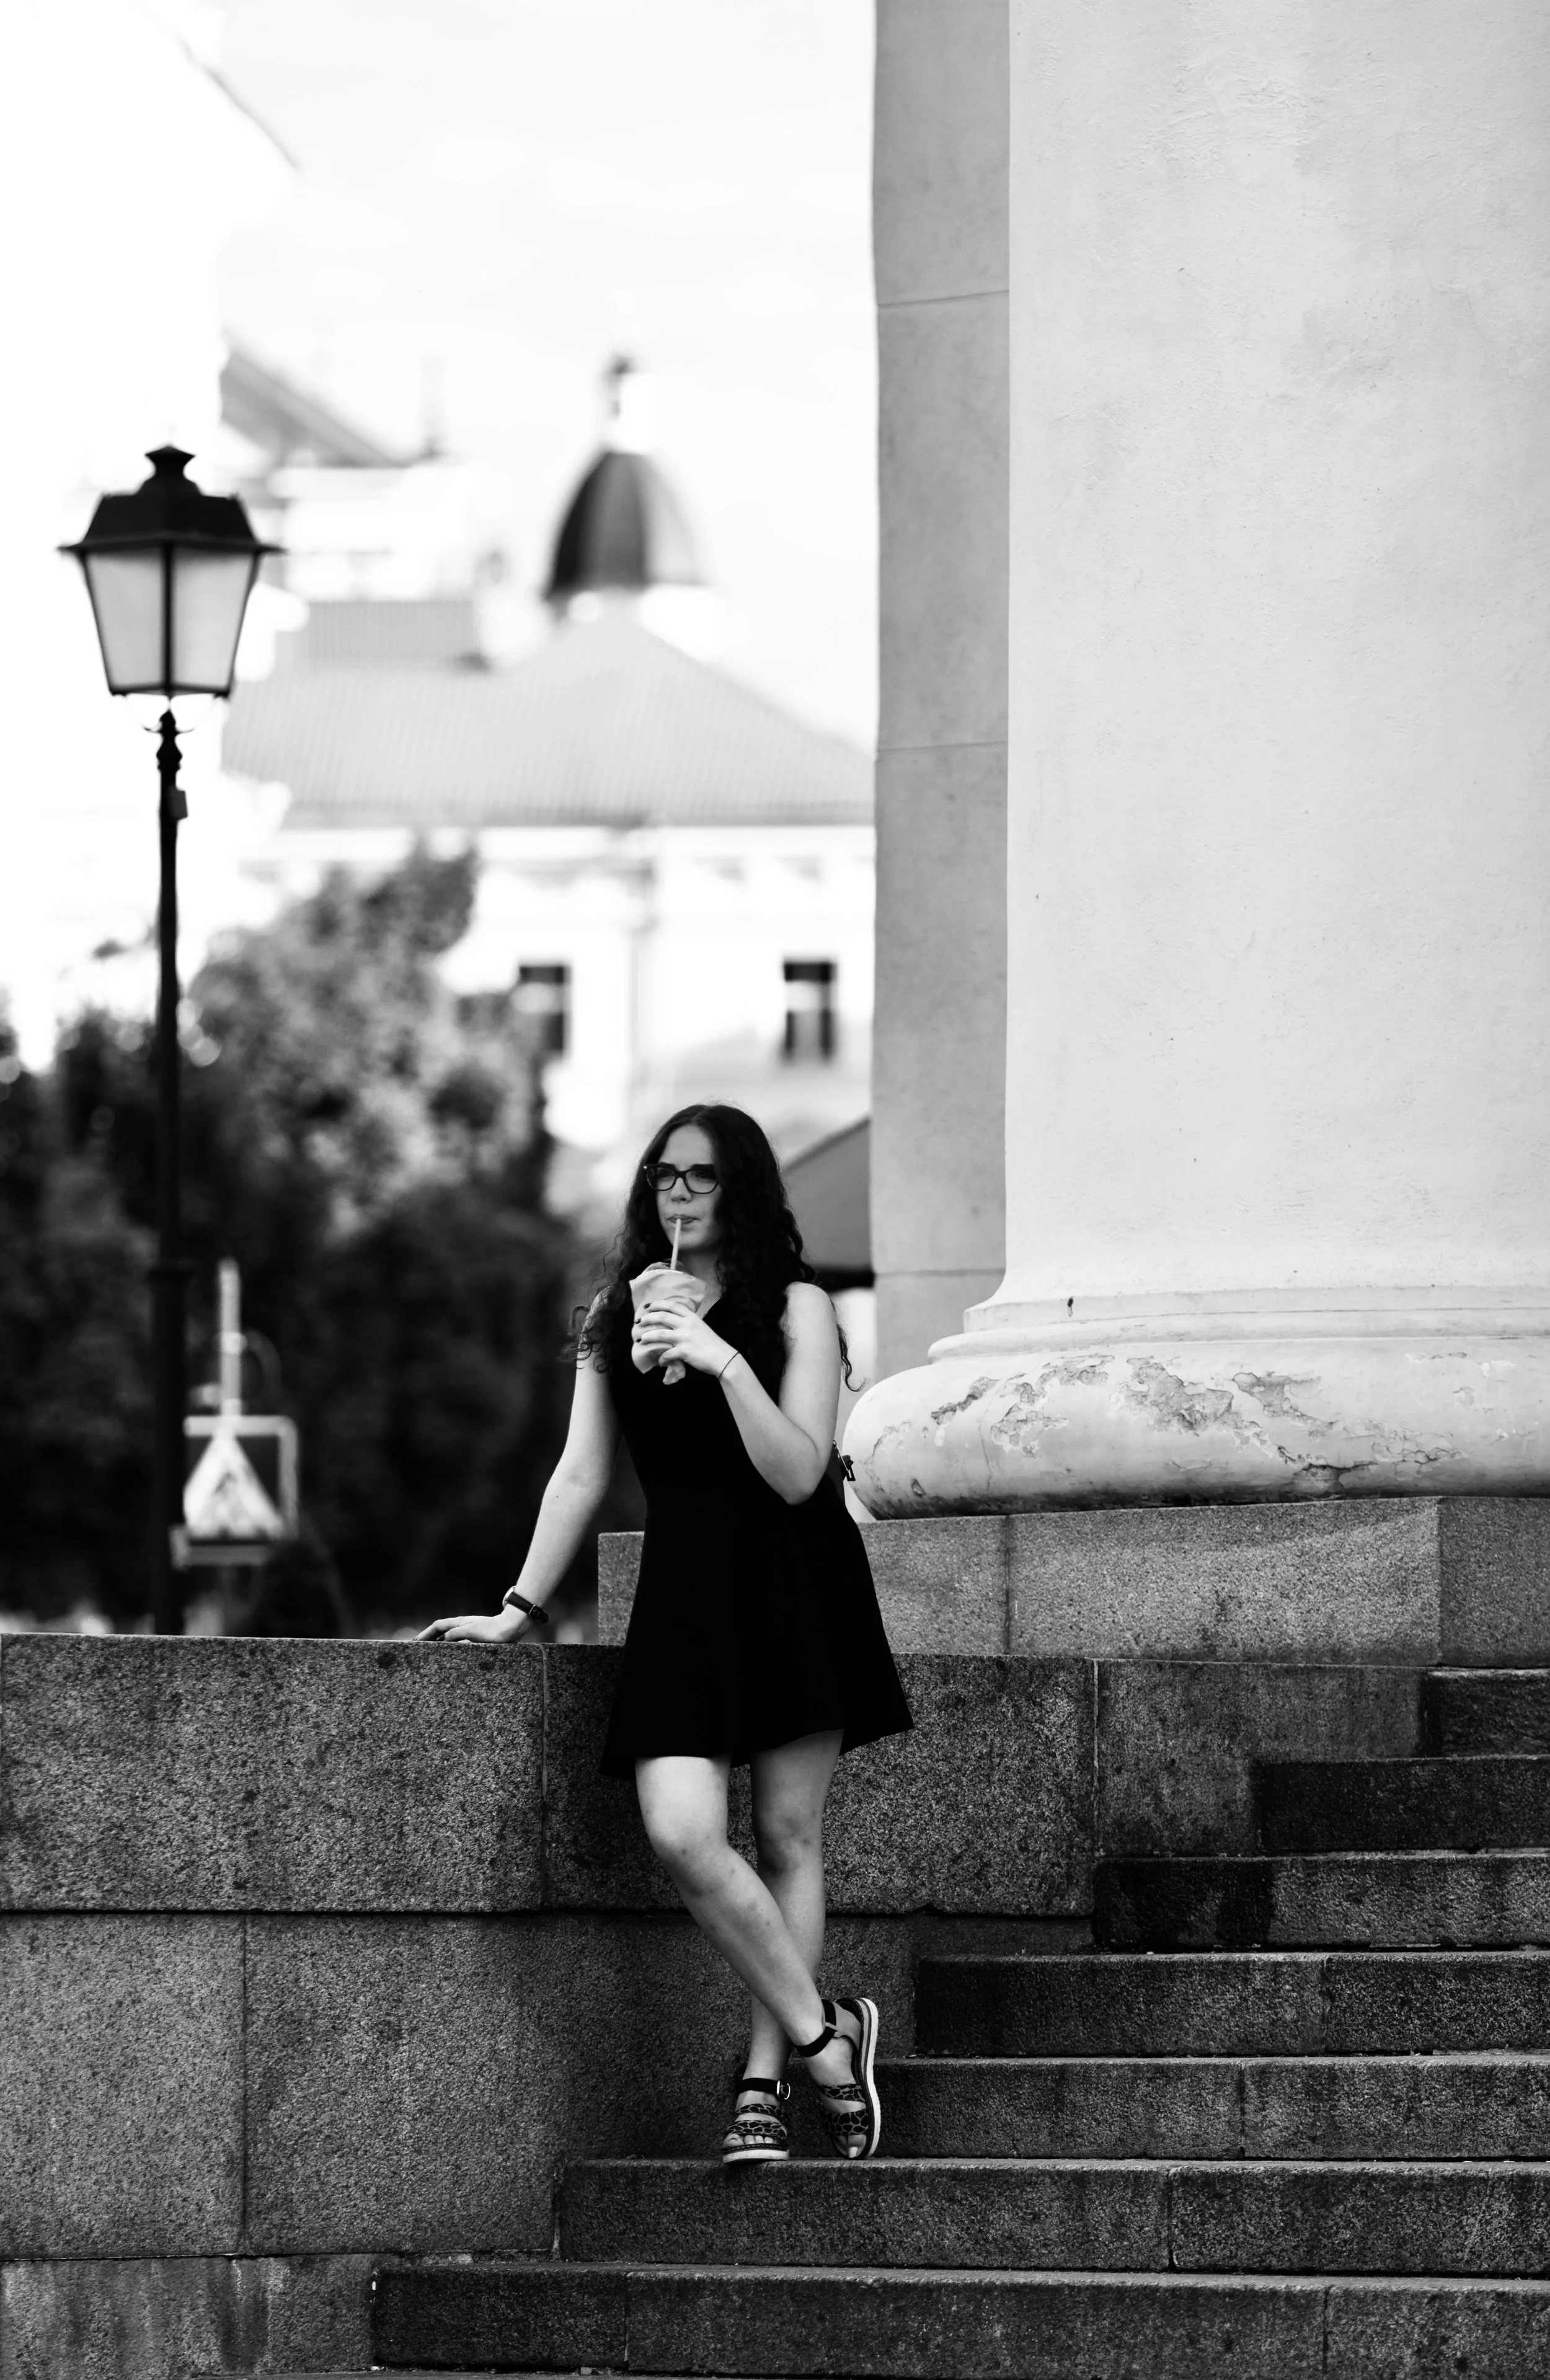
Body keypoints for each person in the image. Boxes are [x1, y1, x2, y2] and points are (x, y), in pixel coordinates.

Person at [419, 1101, 913, 2164]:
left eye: (702, 1176)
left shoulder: (799, 1306)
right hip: (687, 1590)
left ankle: (762, 2082)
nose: (679, 1194)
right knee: (684, 1830)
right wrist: (517, 1608)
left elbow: (799, 1473)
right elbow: (581, 1472)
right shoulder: (619, 1311)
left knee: (786, 1834)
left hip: (796, 1583)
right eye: (664, 1176)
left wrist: (719, 1357)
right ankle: (828, 2036)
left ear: (742, 1187)